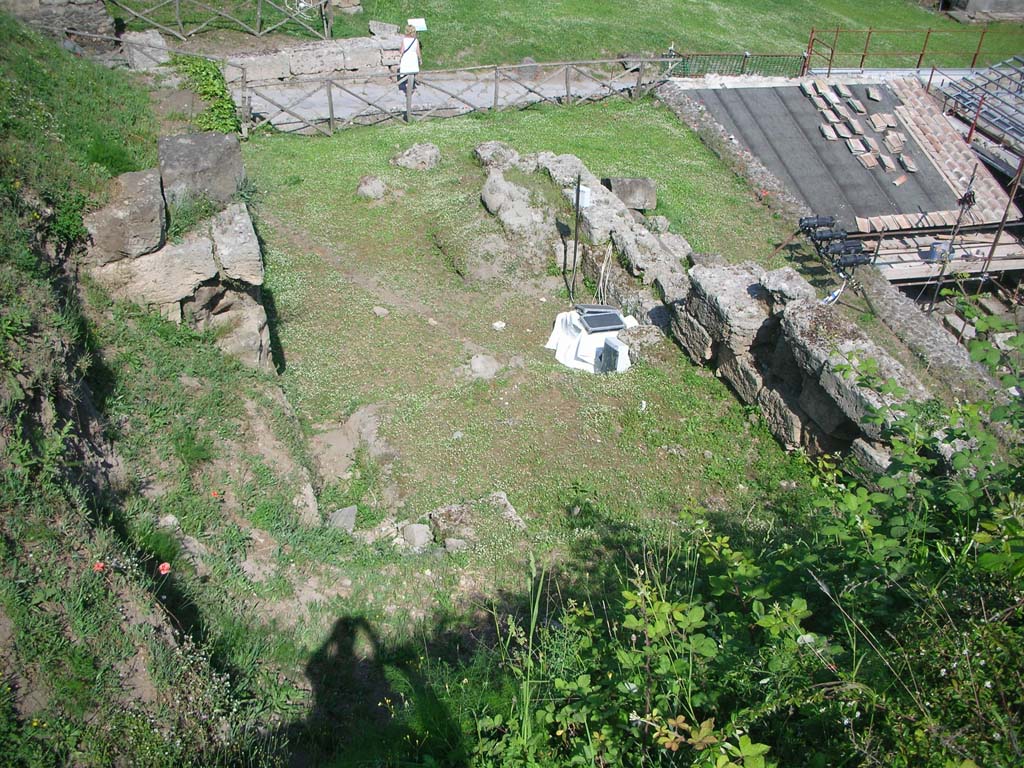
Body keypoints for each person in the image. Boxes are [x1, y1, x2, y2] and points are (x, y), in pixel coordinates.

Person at [398, 24, 422, 93]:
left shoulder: (404, 40)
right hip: (413, 58)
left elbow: (401, 51)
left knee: (406, 71)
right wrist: (420, 59)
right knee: (412, 72)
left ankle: (405, 86)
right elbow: (418, 51)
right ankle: (412, 86)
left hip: (406, 57)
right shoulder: (416, 40)